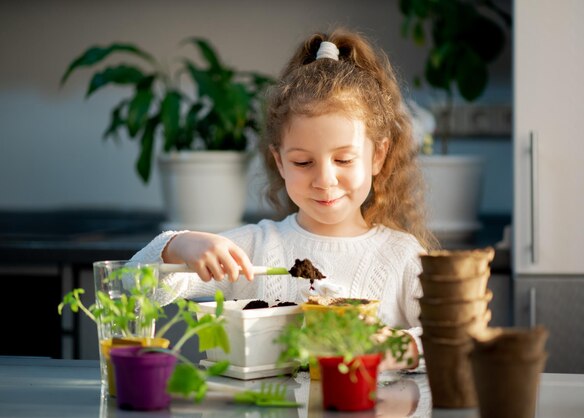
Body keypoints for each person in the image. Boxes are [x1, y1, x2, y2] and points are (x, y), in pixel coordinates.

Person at [130, 28, 438, 370]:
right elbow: (132, 286)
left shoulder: (402, 256)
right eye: (302, 162)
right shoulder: (253, 251)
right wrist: (179, 246)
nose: (325, 180)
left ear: (378, 156)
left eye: (344, 160)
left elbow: (448, 340)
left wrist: (388, 345)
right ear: (279, 161)